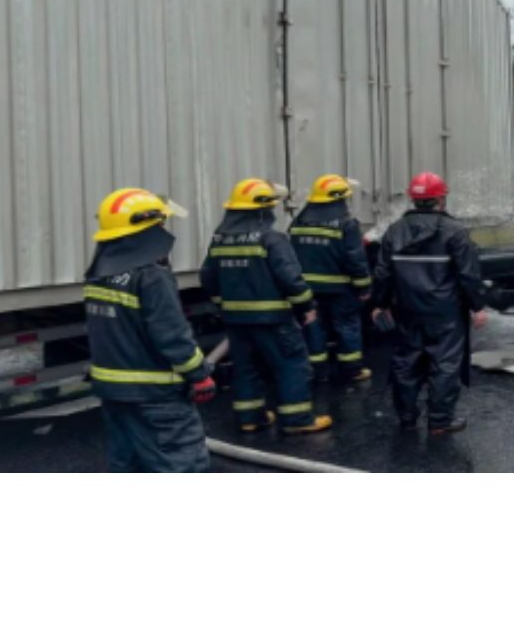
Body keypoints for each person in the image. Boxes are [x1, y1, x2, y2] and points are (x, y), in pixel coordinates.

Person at [85, 189, 217, 474]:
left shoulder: (99, 272)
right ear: (148, 226)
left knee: (128, 463)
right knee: (181, 464)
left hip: (114, 391)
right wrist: (199, 374)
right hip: (156, 395)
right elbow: (171, 334)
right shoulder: (150, 275)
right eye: (160, 223)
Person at [200, 179, 332, 437]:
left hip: (236, 320)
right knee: (292, 364)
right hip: (273, 319)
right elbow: (289, 276)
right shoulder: (271, 237)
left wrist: (222, 305)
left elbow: (208, 276)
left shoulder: (220, 238)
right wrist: (306, 305)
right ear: (264, 209)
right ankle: (297, 419)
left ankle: (250, 418)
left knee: (246, 366)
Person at [372, 173, 488, 436]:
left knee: (405, 362)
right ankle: (440, 420)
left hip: (406, 310)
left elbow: (383, 273)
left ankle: (407, 417)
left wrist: (379, 304)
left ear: (414, 199)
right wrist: (477, 306)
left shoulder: (395, 230)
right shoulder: (455, 231)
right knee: (445, 364)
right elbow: (468, 274)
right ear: (440, 199)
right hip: (444, 311)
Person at [290, 175, 373, 385]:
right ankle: (352, 371)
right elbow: (355, 259)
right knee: (347, 328)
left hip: (308, 290)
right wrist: (364, 287)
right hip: (340, 289)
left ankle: (318, 373)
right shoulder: (347, 223)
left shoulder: (299, 221)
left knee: (314, 329)